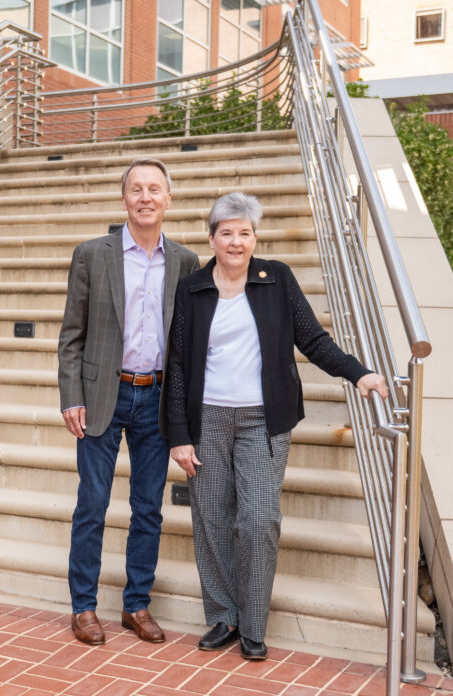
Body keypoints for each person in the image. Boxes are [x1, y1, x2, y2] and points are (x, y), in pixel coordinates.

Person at [163, 192, 388, 660]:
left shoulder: (277, 278)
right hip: (207, 419)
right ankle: (224, 615)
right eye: (226, 232)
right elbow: (178, 365)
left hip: (264, 420)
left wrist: (358, 372)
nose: (236, 241)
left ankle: (254, 622)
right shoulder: (193, 288)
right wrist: (180, 437)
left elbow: (312, 337)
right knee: (212, 520)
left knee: (260, 519)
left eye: (245, 232)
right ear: (211, 238)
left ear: (255, 238)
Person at [58, 157, 200, 646]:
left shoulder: (184, 261)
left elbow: (185, 343)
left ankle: (136, 605)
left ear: (167, 199)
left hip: (156, 398)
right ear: (124, 199)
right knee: (92, 505)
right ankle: (84, 607)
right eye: (136, 189)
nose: (145, 197)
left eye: (154, 189)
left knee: (148, 509)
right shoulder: (92, 254)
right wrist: (70, 395)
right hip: (103, 393)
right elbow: (71, 335)